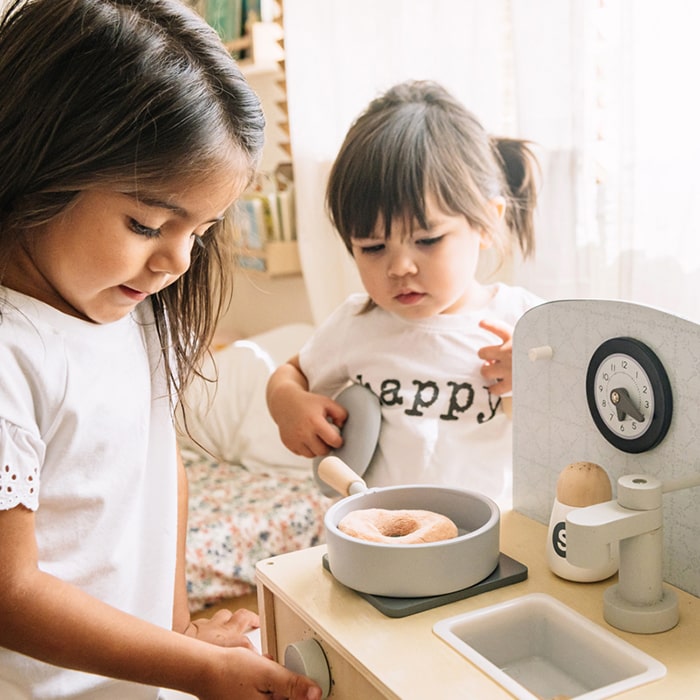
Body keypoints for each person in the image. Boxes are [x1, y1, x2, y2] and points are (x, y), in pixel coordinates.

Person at [0, 1, 321, 699]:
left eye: (200, 232)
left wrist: (175, 635)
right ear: (37, 161)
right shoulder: (13, 354)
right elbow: (10, 593)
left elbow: (159, 474)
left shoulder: (136, 314)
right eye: (147, 223)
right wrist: (196, 667)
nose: (177, 260)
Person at [267, 80, 543, 508]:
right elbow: (291, 372)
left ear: (488, 222)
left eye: (427, 240)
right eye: (373, 248)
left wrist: (538, 376)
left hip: (491, 542)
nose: (399, 268)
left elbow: (589, 411)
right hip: (380, 539)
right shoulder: (357, 323)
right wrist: (287, 401)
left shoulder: (524, 320)